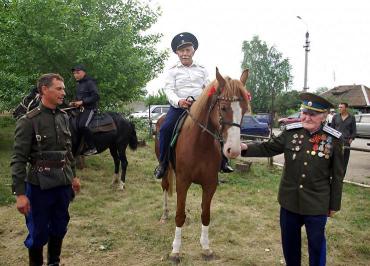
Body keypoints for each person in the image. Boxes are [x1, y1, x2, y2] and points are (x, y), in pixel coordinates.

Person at [240, 93, 345, 266]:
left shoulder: (333, 139)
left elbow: (338, 175)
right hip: (289, 202)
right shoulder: (291, 132)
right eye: (304, 112)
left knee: (316, 246)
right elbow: (268, 148)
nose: (307, 117)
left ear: (324, 116)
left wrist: (334, 205)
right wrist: (244, 147)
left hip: (317, 203)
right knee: (290, 245)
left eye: (313, 114)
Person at [11, 73, 81, 266]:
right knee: (38, 232)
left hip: (63, 183)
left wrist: (73, 176)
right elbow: (18, 159)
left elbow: (67, 151)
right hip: (39, 185)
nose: (63, 93)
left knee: (59, 226)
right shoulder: (29, 121)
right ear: (44, 90)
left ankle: (54, 263)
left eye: (63, 89)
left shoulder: (64, 117)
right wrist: (19, 194)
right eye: (59, 89)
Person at [154, 32, 233, 179]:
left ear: (193, 51)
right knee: (165, 129)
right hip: (179, 107)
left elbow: (208, 87)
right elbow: (169, 90)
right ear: (177, 53)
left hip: (201, 107)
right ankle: (163, 164)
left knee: (219, 125)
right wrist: (179, 101)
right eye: (181, 51)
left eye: (187, 50)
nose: (185, 54)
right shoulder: (172, 71)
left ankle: (223, 161)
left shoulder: (202, 69)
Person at [70, 64, 100, 156]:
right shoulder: (79, 84)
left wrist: (82, 102)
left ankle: (92, 148)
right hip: (80, 110)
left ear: (84, 72)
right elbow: (79, 97)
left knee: (83, 125)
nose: (75, 75)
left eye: (78, 73)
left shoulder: (90, 82)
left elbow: (96, 96)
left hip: (90, 109)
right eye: (74, 73)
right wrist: (74, 103)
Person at [331, 102, 356, 175]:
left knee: (344, 160)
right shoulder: (335, 116)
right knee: (334, 158)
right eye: (339, 107)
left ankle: (342, 176)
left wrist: (350, 140)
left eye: (341, 107)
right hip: (335, 141)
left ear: (346, 108)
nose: (339, 108)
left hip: (346, 142)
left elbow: (354, 130)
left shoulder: (352, 117)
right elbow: (332, 129)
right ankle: (332, 175)